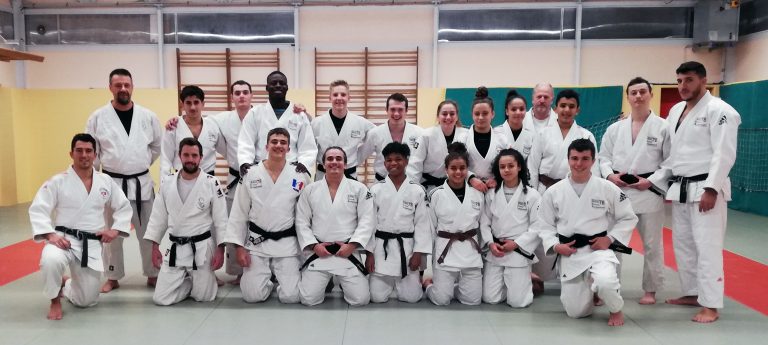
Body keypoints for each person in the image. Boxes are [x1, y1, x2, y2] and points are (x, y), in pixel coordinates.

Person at [648, 61, 741, 323]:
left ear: (703, 80)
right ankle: (692, 292)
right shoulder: (676, 110)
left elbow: (724, 153)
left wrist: (712, 188)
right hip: (681, 188)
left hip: (706, 188)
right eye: (679, 81)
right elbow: (673, 152)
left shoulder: (721, 111)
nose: (682, 86)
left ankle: (711, 305)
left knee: (707, 248)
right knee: (684, 245)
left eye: (688, 80)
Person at [29, 133, 133, 320]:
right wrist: (50, 235)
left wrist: (115, 230)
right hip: (62, 239)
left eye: (88, 151)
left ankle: (66, 284)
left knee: (86, 301)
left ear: (95, 154)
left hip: (90, 243)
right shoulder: (58, 181)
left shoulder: (105, 181)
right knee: (50, 260)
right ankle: (54, 300)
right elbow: (38, 208)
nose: (84, 155)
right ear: (71, 154)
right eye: (79, 151)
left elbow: (123, 206)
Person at [535, 139, 638, 326]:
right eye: (574, 158)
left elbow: (628, 217)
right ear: (568, 159)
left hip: (597, 249)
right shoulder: (553, 192)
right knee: (576, 312)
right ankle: (592, 289)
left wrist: (610, 238)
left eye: (585, 159)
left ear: (593, 160)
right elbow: (544, 224)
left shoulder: (607, 188)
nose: (579, 164)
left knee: (606, 281)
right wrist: (556, 245)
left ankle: (616, 309)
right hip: (571, 252)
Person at [85, 68, 162, 292]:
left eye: (126, 85)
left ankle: (153, 273)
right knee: (111, 234)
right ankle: (113, 276)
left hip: (141, 183)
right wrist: (98, 178)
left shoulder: (148, 116)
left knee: (147, 231)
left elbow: (157, 146)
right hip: (111, 183)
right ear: (110, 87)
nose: (123, 89)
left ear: (132, 87)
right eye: (118, 85)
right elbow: (93, 151)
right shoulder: (97, 117)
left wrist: (141, 161)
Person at [598, 77, 670, 305]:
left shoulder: (663, 127)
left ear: (650, 94)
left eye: (642, 92)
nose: (638, 96)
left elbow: (670, 162)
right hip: (619, 191)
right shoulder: (614, 129)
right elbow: (603, 158)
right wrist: (610, 175)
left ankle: (651, 290)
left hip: (648, 192)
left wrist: (651, 182)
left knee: (651, 244)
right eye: (633, 93)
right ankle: (611, 287)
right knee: (615, 242)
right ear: (628, 97)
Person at [224, 128, 311, 303]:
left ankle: (282, 279)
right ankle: (267, 282)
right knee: (252, 296)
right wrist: (239, 248)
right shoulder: (251, 174)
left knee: (291, 297)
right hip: (257, 242)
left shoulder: (300, 175)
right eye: (274, 142)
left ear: (288, 149)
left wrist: (307, 248)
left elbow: (308, 214)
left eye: (283, 142)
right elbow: (238, 213)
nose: (278, 145)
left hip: (287, 243)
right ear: (266, 146)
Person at [143, 138, 228, 306]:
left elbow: (221, 220)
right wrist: (155, 247)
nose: (190, 159)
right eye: (186, 155)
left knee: (205, 297)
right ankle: (189, 283)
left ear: (201, 157)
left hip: (201, 248)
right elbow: (158, 217)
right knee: (160, 299)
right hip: (175, 247)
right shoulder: (167, 182)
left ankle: (200, 282)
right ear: (179, 156)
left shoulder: (212, 183)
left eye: (194, 155)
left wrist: (220, 250)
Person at [296, 147, 375, 306]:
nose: (334, 162)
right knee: (308, 299)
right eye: (330, 159)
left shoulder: (359, 189)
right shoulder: (310, 190)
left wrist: (351, 246)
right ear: (323, 164)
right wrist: (314, 246)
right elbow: (301, 221)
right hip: (319, 252)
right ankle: (328, 280)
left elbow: (367, 221)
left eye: (338, 159)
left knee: (360, 300)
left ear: (345, 164)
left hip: (346, 253)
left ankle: (337, 280)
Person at [365, 142, 431, 303]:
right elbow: (369, 225)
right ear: (384, 163)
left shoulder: (417, 190)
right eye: (389, 160)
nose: (393, 163)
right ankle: (389, 284)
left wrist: (418, 254)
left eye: (398, 159)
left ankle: (426, 284)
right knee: (376, 297)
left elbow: (422, 225)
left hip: (406, 249)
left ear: (407, 161)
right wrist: (369, 253)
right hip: (382, 249)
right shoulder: (375, 190)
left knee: (412, 298)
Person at [423, 142, 485, 306]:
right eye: (453, 168)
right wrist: (427, 253)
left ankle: (455, 288)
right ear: (446, 170)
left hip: (470, 250)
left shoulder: (477, 194)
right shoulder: (436, 195)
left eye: (462, 168)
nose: (458, 172)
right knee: (441, 300)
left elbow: (483, 223)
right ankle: (429, 285)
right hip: (446, 250)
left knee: (472, 300)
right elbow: (430, 227)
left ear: (467, 170)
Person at [480, 148, 542, 308]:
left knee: (517, 303)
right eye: (502, 167)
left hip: (518, 250)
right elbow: (484, 223)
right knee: (490, 298)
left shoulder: (532, 195)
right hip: (497, 250)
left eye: (510, 166)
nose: (506, 170)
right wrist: (490, 244)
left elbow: (537, 226)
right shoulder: (492, 193)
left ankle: (524, 283)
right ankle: (523, 282)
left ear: (519, 167)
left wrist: (515, 244)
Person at [238, 70, 316, 176]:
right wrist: (245, 162)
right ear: (267, 87)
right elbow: (245, 142)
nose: (278, 86)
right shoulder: (255, 113)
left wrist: (304, 163)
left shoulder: (299, 115)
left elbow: (308, 145)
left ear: (287, 87)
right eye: (274, 83)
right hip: (262, 170)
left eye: (281, 83)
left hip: (292, 171)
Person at [311, 80, 375, 180]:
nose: (339, 98)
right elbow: (309, 148)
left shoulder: (360, 122)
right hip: (323, 176)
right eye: (335, 95)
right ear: (330, 98)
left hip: (349, 175)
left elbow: (377, 136)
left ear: (349, 98)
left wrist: (358, 157)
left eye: (343, 95)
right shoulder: (317, 123)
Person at [160, 85, 225, 180]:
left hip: (208, 179)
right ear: (182, 104)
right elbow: (165, 159)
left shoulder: (213, 125)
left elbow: (227, 151)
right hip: (181, 179)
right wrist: (165, 184)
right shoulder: (173, 127)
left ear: (203, 104)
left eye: (196, 102)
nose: (193, 107)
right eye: (188, 103)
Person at [359, 93, 423, 181]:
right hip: (382, 184)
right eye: (392, 109)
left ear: (407, 110)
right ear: (386, 110)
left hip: (410, 184)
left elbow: (423, 160)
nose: (396, 114)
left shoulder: (419, 133)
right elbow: (359, 157)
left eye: (400, 110)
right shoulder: (375, 133)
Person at [407, 100, 468, 191]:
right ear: (438, 116)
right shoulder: (426, 135)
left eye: (452, 114)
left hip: (458, 186)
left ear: (457, 117)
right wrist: (413, 188)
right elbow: (415, 163)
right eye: (444, 114)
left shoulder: (466, 135)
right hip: (429, 187)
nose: (448, 117)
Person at [460, 87, 511, 192]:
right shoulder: (462, 138)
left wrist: (498, 177)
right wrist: (471, 178)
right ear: (472, 114)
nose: (481, 117)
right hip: (468, 188)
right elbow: (453, 164)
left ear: (492, 114)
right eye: (477, 114)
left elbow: (511, 164)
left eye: (485, 113)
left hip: (494, 189)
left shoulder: (502, 139)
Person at [495, 90, 536, 159]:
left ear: (526, 111)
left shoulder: (531, 136)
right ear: (507, 111)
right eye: (513, 109)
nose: (518, 112)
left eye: (521, 109)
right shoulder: (496, 133)